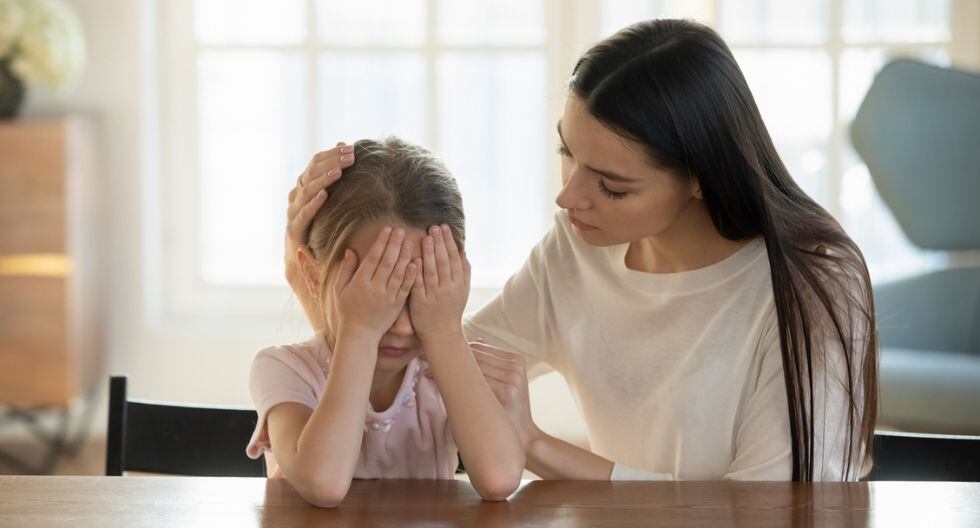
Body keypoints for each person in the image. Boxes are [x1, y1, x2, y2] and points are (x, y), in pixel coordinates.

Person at [285, 19, 878, 482]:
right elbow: (420, 364)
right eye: (566, 152)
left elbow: (769, 511)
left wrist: (538, 447)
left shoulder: (814, 284)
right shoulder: (581, 248)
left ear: (701, 176)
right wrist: (308, 275)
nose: (568, 197)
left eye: (611, 185)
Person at [248, 138, 525, 508]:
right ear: (313, 277)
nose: (402, 327)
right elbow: (325, 483)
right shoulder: (285, 370)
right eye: (377, 295)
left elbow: (500, 478)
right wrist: (359, 331)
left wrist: (443, 332)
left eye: (420, 293)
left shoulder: (443, 368)